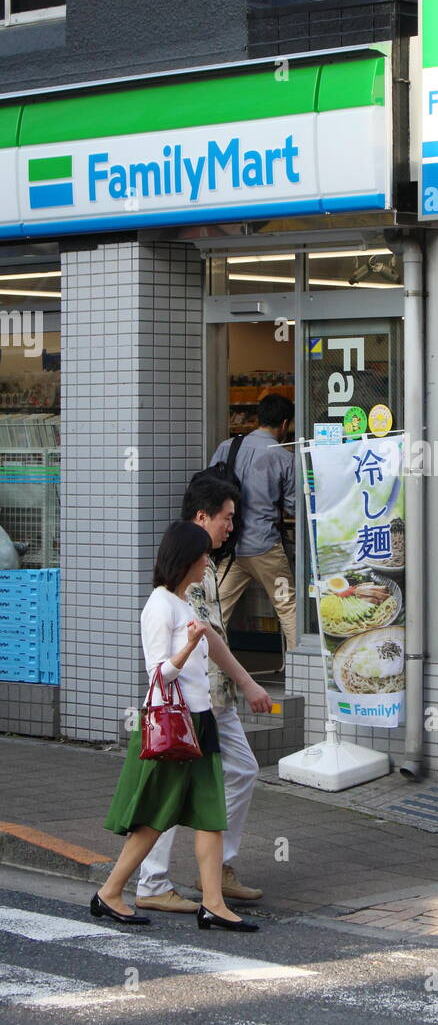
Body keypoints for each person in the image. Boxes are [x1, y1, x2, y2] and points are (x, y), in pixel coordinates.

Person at [93, 522, 259, 932]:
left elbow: (214, 647)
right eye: (202, 555)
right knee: (153, 818)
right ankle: (110, 892)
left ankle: (212, 904)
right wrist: (187, 647)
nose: (207, 562)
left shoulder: (184, 603)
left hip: (199, 722)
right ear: (185, 559)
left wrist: (246, 681)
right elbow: (158, 675)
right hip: (171, 726)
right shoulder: (159, 606)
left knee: (210, 815)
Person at [135, 477, 273, 913]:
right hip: (188, 704)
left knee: (240, 772)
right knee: (175, 790)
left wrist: (242, 682)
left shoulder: (207, 566)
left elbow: (211, 636)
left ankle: (215, 872)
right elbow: (189, 646)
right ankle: (155, 882)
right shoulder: (184, 578)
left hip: (215, 697)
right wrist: (241, 682)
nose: (231, 526)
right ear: (202, 517)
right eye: (226, 517)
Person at [210, 393, 296, 650]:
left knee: (216, 611)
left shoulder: (228, 447)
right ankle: (300, 672)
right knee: (287, 606)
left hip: (232, 546)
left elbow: (211, 489)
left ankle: (212, 675)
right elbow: (293, 505)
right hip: (265, 549)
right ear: (284, 424)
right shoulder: (282, 456)